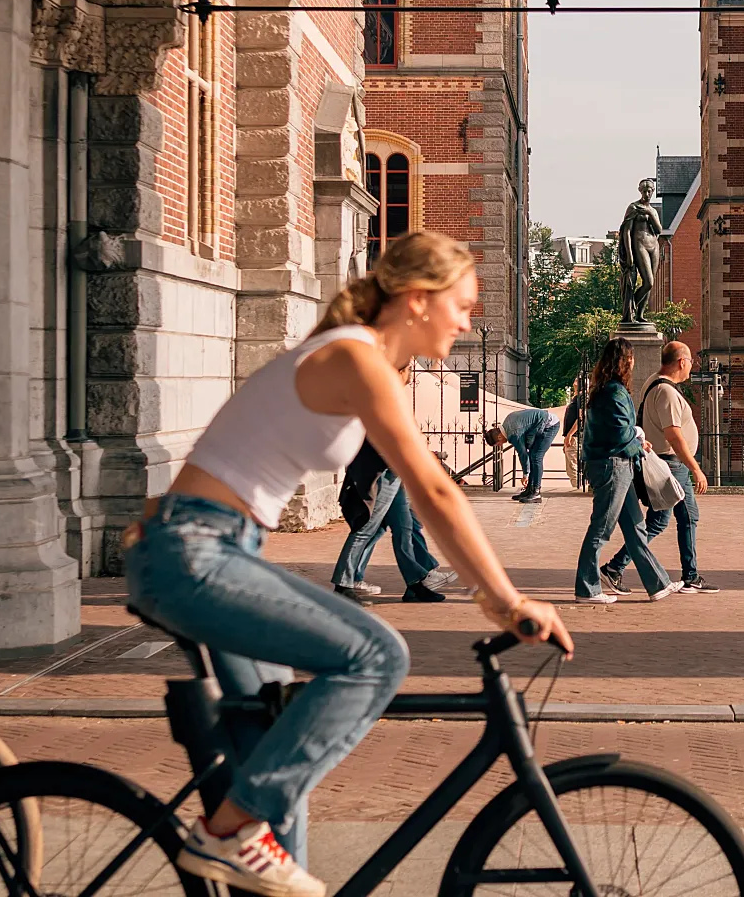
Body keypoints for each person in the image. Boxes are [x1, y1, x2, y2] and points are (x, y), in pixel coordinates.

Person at [124, 232, 571, 897]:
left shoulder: (365, 361)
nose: (468, 320)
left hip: (210, 546)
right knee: (376, 657)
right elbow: (433, 488)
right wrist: (505, 601)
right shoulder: (356, 357)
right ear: (419, 300)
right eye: (463, 304)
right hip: (195, 550)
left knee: (277, 749)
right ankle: (227, 831)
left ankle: (243, 831)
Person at [598, 341, 717, 594]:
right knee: (660, 521)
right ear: (681, 362)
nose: (692, 368)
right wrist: (695, 468)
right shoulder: (667, 393)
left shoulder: (655, 381)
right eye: (690, 363)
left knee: (686, 517)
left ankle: (690, 574)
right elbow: (673, 434)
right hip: (672, 465)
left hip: (672, 464)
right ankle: (615, 567)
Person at [572, 338, 674, 604]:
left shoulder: (604, 389)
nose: (634, 361)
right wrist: (638, 442)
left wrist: (635, 439)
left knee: (635, 527)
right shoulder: (615, 392)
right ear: (625, 360)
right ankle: (587, 588)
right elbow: (620, 433)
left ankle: (657, 584)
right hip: (613, 465)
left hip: (616, 464)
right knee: (602, 527)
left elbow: (619, 430)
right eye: (631, 357)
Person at [331, 439, 457, 602]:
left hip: (395, 471)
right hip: (383, 468)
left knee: (404, 527)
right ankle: (342, 584)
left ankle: (415, 585)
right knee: (366, 529)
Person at [487, 405, 561, 503]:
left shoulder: (513, 434)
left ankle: (536, 492)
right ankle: (530, 489)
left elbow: (522, 454)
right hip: (542, 421)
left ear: (499, 437)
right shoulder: (507, 422)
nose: (500, 445)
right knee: (533, 455)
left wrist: (525, 474)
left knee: (536, 457)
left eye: (498, 444)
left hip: (550, 425)